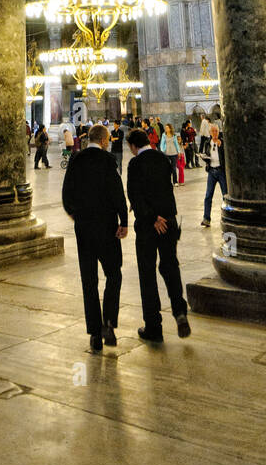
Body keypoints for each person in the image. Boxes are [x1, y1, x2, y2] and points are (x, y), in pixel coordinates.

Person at [62, 123, 128, 351]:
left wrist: (75, 215)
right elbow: (118, 194)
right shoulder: (108, 161)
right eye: (108, 139)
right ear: (103, 140)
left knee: (89, 281)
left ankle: (94, 334)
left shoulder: (76, 160)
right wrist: (124, 221)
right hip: (107, 228)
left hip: (84, 229)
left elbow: (66, 194)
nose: (109, 142)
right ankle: (108, 324)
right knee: (114, 275)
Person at [126, 127, 190, 342]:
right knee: (170, 265)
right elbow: (166, 188)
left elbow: (135, 195)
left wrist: (152, 218)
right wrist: (163, 216)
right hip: (169, 221)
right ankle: (180, 311)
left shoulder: (135, 164)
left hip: (148, 225)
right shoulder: (163, 159)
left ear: (133, 146)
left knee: (147, 273)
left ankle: (153, 327)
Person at [200, 123, 227, 227]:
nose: (215, 133)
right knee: (208, 196)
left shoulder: (222, 142)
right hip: (211, 171)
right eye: (213, 131)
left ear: (219, 132)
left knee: (225, 195)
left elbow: (226, 156)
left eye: (216, 131)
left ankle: (226, 217)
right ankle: (206, 219)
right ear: (210, 133)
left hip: (221, 171)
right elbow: (206, 153)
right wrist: (204, 158)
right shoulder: (207, 143)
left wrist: (222, 146)